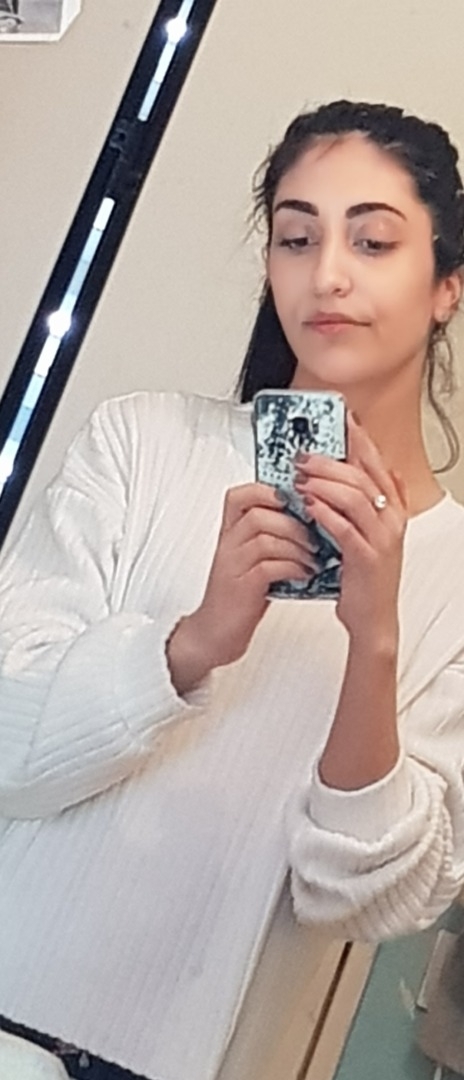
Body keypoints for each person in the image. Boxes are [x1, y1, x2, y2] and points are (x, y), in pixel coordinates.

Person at [0, 98, 464, 1080]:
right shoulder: (141, 442)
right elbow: (6, 747)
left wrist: (374, 642)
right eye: (296, 238)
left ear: (445, 288)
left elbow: (365, 903)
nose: (326, 274)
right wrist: (190, 646)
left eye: (372, 241)